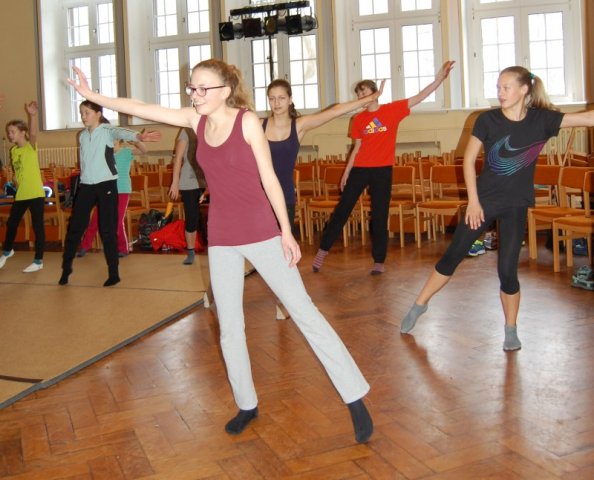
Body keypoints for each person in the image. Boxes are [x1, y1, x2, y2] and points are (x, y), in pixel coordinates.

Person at [68, 59, 374, 443]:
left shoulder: (247, 122)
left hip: (261, 231)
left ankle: (354, 396)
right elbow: (143, 107)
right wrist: (93, 96)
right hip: (223, 237)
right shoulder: (194, 121)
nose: (194, 95)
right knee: (229, 327)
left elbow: (270, 178)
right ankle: (247, 403)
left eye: (202, 88)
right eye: (191, 87)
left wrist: (286, 231)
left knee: (304, 313)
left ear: (225, 91)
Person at [400, 66, 594, 350]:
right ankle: (420, 304)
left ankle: (511, 329)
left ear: (524, 90)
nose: (500, 93)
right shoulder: (487, 120)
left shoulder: (542, 120)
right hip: (483, 202)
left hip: (516, 205)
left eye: (506, 87)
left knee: (507, 271)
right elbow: (468, 161)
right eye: (498, 87)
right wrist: (473, 201)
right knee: (453, 255)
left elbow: (587, 118)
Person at [312, 61, 456, 275]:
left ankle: (379, 260)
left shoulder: (392, 110)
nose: (361, 96)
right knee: (343, 209)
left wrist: (440, 78)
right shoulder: (358, 119)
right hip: (360, 169)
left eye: (364, 92)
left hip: (382, 170)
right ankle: (323, 250)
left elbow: (420, 96)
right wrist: (346, 171)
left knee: (379, 214)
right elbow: (356, 147)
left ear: (375, 93)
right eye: (358, 94)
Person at [59, 100, 160, 287]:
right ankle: (66, 268)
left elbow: (122, 132)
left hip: (107, 184)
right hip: (87, 185)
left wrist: (139, 136)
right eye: (81, 113)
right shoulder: (82, 136)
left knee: (107, 229)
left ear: (98, 114)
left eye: (87, 113)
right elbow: (84, 160)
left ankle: (114, 273)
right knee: (75, 227)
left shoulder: (107, 130)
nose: (83, 116)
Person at [263, 79, 384, 226]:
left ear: (290, 100)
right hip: (259, 195)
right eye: (272, 98)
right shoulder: (259, 125)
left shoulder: (299, 125)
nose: (276, 103)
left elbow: (334, 111)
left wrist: (370, 98)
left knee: (283, 239)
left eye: (281, 98)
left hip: (284, 196)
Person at [78, 137, 148, 258]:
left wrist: (135, 141)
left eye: (114, 144)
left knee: (117, 221)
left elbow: (144, 150)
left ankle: (123, 249)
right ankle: (84, 246)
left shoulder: (126, 152)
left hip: (122, 191)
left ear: (119, 142)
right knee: (96, 219)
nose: (111, 146)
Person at [0, 101, 46, 273]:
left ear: (22, 133)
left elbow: (33, 133)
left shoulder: (29, 147)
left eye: (13, 131)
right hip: (22, 194)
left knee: (37, 226)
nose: (9, 134)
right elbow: (18, 170)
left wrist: (32, 116)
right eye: (8, 132)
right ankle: (7, 251)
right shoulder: (13, 151)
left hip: (35, 193)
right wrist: (15, 180)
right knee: (12, 223)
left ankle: (38, 260)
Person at [168, 127, 207, 264]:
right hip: (189, 182)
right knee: (192, 218)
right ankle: (191, 251)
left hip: (208, 180)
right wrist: (175, 183)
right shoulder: (187, 131)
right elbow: (178, 158)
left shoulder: (209, 127)